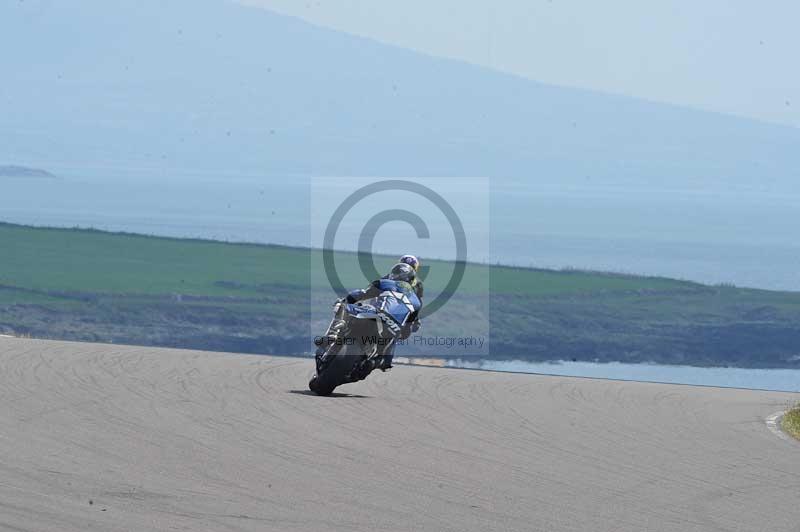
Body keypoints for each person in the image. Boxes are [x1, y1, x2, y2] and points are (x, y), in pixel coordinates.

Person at [316, 262, 422, 377]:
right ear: (412, 280)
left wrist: (346, 300)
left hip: (374, 314)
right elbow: (407, 330)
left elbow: (361, 294)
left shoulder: (384, 283)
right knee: (386, 356)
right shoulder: (416, 301)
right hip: (392, 327)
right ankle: (375, 362)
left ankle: (333, 334)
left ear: (393, 275)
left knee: (342, 306)